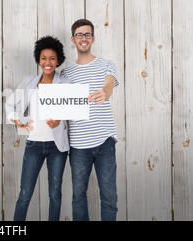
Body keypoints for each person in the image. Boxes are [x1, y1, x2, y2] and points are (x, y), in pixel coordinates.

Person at [5, 36, 70, 221]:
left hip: (57, 147)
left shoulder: (65, 84)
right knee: (25, 194)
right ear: (38, 59)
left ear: (58, 60)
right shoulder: (28, 82)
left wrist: (60, 120)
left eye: (52, 58)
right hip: (34, 144)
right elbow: (10, 105)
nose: (47, 62)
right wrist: (17, 120)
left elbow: (73, 110)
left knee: (55, 194)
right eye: (43, 58)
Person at [60, 19, 119, 221]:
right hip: (77, 146)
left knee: (110, 198)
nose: (83, 38)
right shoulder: (66, 73)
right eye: (79, 35)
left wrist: (105, 91)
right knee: (78, 197)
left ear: (93, 38)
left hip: (104, 142)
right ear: (73, 39)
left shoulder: (107, 65)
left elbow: (109, 83)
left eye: (87, 35)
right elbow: (63, 109)